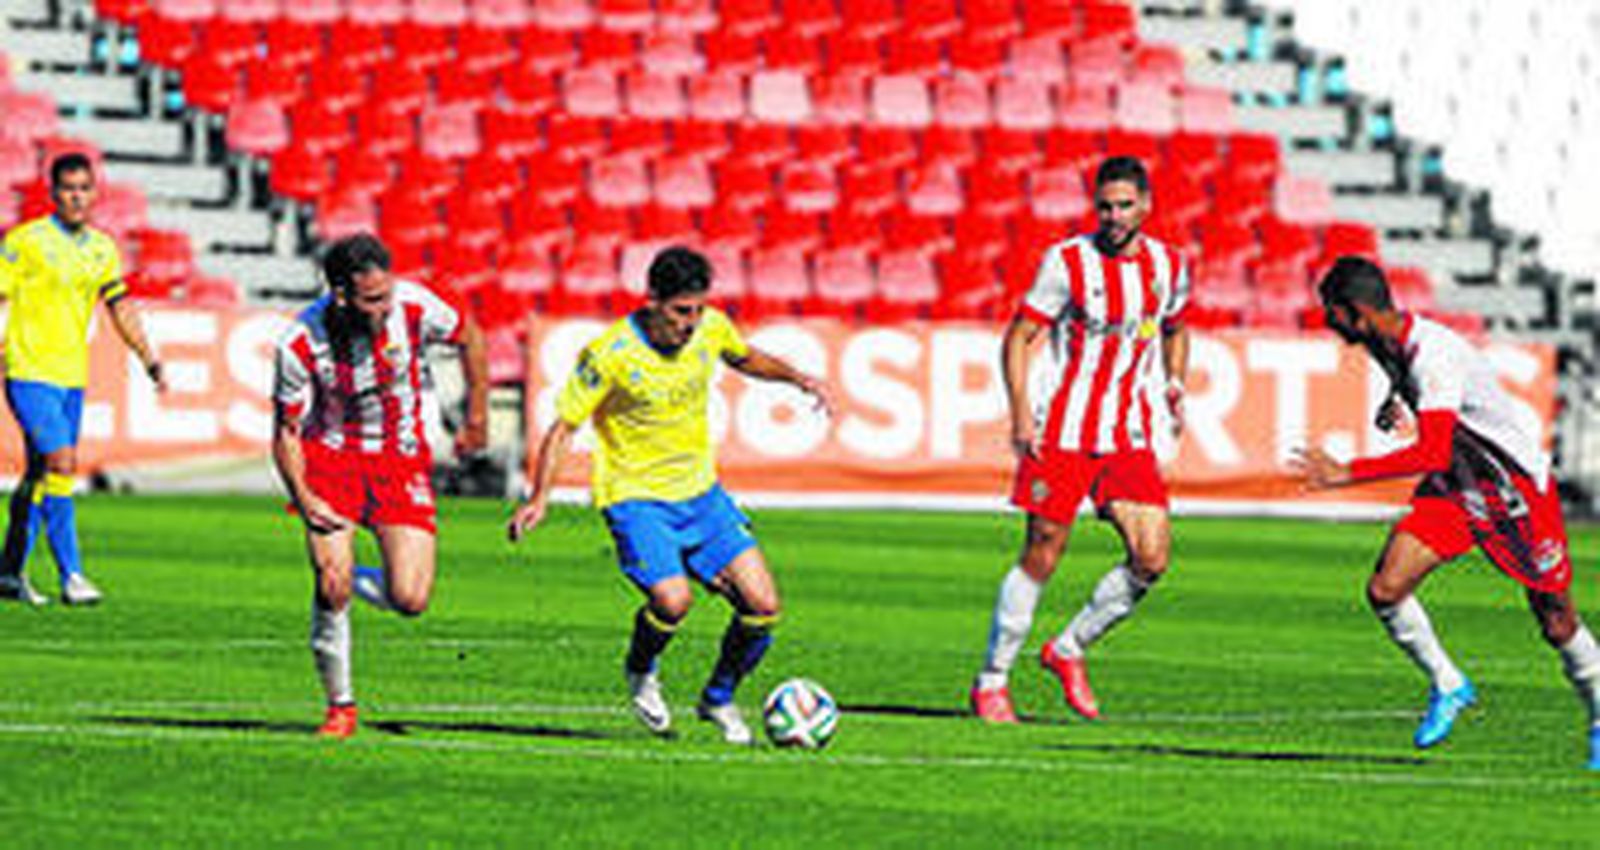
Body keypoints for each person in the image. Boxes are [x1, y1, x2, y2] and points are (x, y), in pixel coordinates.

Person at [507, 246, 834, 745]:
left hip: (701, 496)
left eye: (699, 309)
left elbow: (743, 356)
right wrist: (539, 498)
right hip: (635, 497)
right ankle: (642, 670)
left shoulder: (710, 328)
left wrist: (796, 377)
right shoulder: (610, 354)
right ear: (653, 302)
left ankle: (718, 698)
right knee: (672, 600)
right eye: (682, 311)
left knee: (763, 604)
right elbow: (563, 428)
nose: (692, 322)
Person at [1294, 256, 1600, 769]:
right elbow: (1426, 410)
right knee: (1385, 589)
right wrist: (1398, 400)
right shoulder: (1382, 340)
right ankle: (1449, 683)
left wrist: (1346, 472)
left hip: (1515, 490)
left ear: (1356, 313)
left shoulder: (1432, 356)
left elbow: (1431, 450)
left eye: (1333, 313)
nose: (1327, 322)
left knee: (1555, 619)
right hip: (1458, 488)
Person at [969, 156, 1191, 723]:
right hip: (1062, 432)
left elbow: (1177, 327)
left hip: (1127, 433)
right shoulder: (1067, 262)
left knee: (1153, 557)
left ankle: (1067, 648)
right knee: (1043, 552)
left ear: (1146, 205)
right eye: (1105, 206)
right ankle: (992, 680)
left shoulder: (1169, 265)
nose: (1114, 217)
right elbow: (1019, 339)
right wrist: (1020, 413)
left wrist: (1173, 382)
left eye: (1124, 205)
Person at [272, 234, 488, 739]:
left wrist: (477, 412)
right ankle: (340, 706)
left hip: (400, 461)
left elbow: (471, 335)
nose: (383, 308)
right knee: (331, 581)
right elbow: (284, 434)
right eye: (372, 300)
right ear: (341, 295)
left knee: (410, 598)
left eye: (386, 295)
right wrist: (303, 497)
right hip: (331, 460)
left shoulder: (413, 307)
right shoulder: (300, 342)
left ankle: (352, 576)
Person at [0, 152, 167, 606]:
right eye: (68, 188)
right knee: (62, 463)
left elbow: (120, 307)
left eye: (84, 188)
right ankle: (72, 575)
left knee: (40, 473)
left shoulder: (102, 248)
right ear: (54, 193)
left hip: (71, 376)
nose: (77, 196)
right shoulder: (24, 241)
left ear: (95, 193)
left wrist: (148, 356)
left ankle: (9, 572)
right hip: (28, 370)